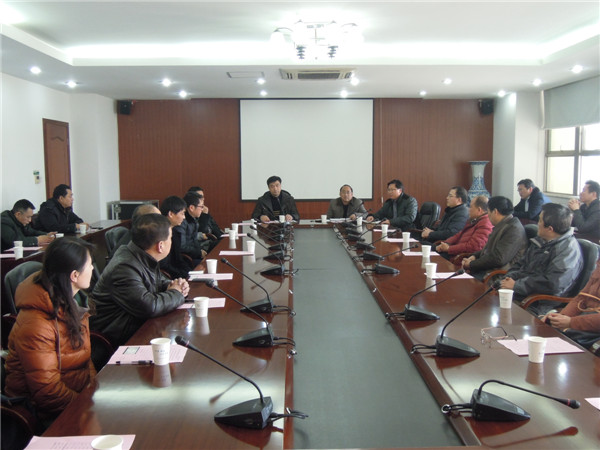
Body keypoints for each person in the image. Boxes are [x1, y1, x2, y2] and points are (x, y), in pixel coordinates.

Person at [4, 238, 96, 422]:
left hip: (77, 399)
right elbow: (47, 392)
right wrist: (87, 406)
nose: (93, 268)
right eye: (90, 264)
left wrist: (94, 391)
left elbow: (85, 360)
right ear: (74, 275)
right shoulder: (36, 324)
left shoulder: (73, 302)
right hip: (44, 414)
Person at [90, 214, 188, 347]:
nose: (171, 241)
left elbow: (157, 281)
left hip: (139, 325)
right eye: (170, 238)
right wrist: (176, 293)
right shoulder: (124, 267)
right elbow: (150, 307)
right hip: (120, 338)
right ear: (160, 246)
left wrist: (176, 285)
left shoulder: (140, 255)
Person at [500, 203, 583, 309]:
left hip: (541, 302)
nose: (537, 223)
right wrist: (509, 278)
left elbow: (552, 284)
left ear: (550, 229)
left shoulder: (568, 250)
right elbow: (521, 264)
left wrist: (517, 285)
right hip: (522, 292)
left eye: (539, 220)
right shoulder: (541, 240)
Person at [462, 196, 527, 279]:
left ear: (495, 212)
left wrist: (471, 264)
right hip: (487, 269)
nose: (487, 215)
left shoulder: (514, 229)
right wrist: (474, 256)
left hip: (496, 275)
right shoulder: (502, 224)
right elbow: (489, 249)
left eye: (488, 211)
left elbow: (498, 259)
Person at [542, 260, 600, 349]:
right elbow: (582, 297)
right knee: (545, 327)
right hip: (584, 320)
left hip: (592, 332)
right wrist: (561, 318)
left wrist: (571, 322)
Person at [159, 196, 196, 279]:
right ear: (171, 214)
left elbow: (178, 259)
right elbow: (163, 265)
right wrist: (184, 275)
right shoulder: (160, 235)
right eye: (182, 213)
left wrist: (190, 272)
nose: (184, 217)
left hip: (178, 273)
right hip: (168, 277)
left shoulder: (175, 232)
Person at [178, 192, 212, 259]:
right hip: (187, 259)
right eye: (201, 207)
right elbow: (182, 247)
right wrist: (199, 253)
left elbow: (194, 241)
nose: (202, 209)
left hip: (195, 254)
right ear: (191, 208)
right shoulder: (181, 222)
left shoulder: (194, 219)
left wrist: (200, 252)